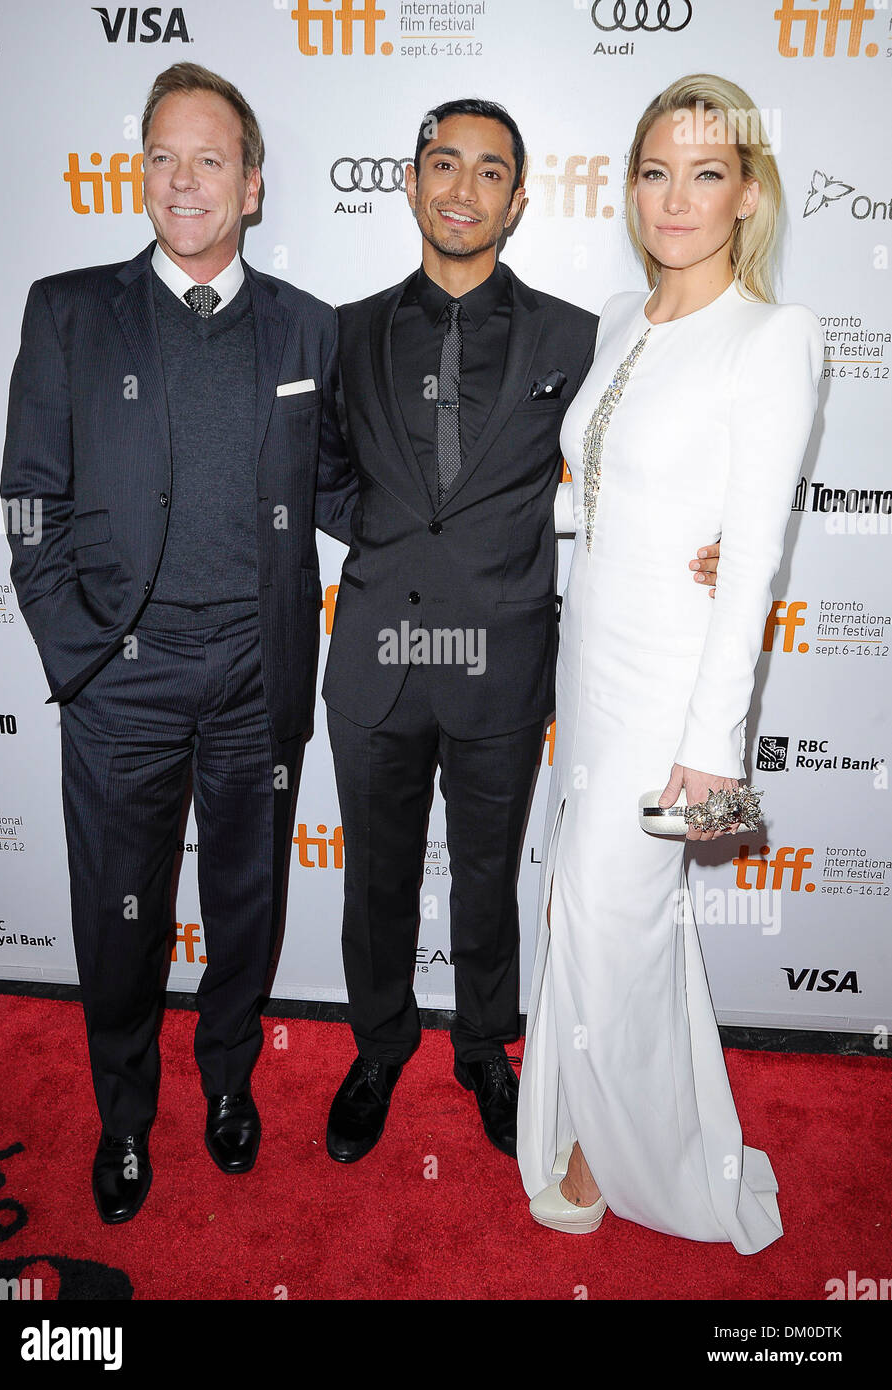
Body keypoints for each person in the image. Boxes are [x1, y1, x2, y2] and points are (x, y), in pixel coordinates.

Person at [321, 98, 721, 1164]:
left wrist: (708, 541)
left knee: (491, 871)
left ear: (520, 199)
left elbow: (641, 456)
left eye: (489, 171)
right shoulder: (346, 329)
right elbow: (322, 473)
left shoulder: (573, 337)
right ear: (409, 183)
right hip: (376, 660)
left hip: (502, 662)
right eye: (443, 165)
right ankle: (377, 1043)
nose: (462, 188)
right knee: (377, 874)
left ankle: (487, 1044)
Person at [0, 62, 357, 1223]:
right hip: (123, 687)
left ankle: (228, 1085)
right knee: (121, 918)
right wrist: (81, 657)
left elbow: (351, 492)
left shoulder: (310, 325)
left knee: (247, 905)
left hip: (259, 681)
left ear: (254, 186)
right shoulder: (66, 309)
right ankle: (121, 1115)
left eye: (211, 159)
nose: (184, 180)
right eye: (164, 156)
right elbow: (27, 502)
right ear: (138, 170)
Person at [517, 75, 822, 1253]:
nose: (677, 197)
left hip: (673, 686)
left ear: (748, 192)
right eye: (656, 171)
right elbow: (594, 497)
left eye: (706, 172)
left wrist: (712, 753)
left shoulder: (775, 336)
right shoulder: (618, 318)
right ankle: (604, 1105)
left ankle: (622, 1145)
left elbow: (748, 560)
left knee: (615, 913)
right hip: (590, 656)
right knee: (592, 910)